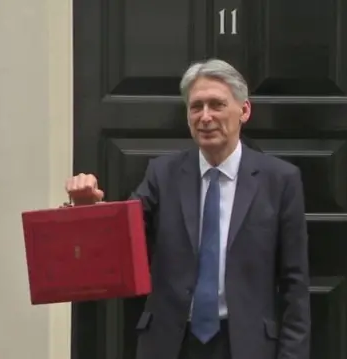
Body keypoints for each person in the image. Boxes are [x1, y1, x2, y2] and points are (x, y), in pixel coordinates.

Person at [65, 59, 310, 359]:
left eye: (216, 105)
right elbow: (121, 244)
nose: (205, 117)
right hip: (171, 343)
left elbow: (294, 284)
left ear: (244, 110)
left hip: (245, 344)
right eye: (196, 107)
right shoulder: (162, 174)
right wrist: (89, 211)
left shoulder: (280, 180)